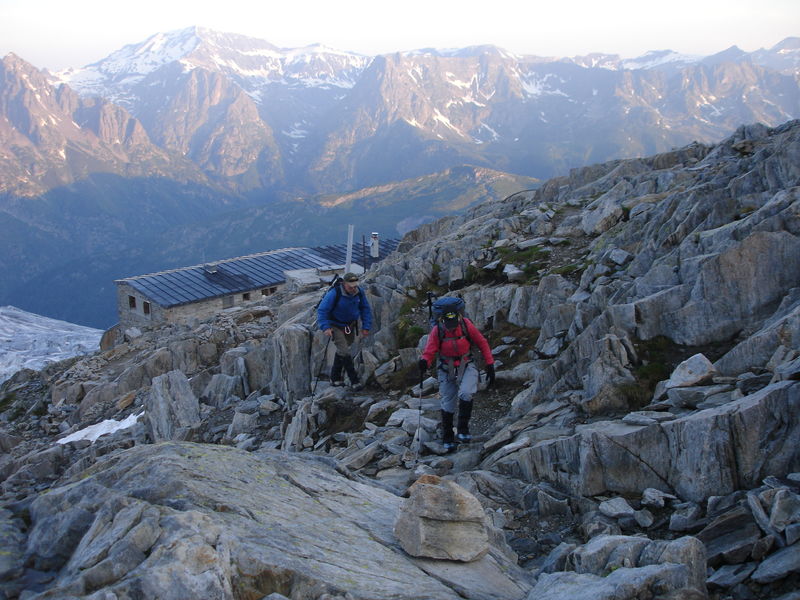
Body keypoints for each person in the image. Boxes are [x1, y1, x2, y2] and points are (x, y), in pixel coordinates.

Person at [418, 309, 495, 451]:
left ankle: (463, 429)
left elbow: (482, 342)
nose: (451, 327)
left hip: (467, 363)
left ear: (458, 319)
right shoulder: (437, 330)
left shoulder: (466, 325)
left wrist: (490, 363)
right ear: (443, 321)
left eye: (454, 324)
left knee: (466, 393)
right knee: (448, 402)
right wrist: (424, 361)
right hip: (446, 367)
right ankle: (448, 436)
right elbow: (430, 350)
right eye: (449, 325)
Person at [317, 272, 372, 390]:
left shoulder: (359, 292)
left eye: (355, 286)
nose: (353, 289)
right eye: (350, 287)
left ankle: (335, 378)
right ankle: (354, 381)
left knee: (343, 350)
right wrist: (325, 327)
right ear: (344, 284)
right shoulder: (334, 294)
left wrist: (366, 326)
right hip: (335, 325)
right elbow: (322, 310)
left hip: (350, 326)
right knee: (345, 351)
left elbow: (365, 308)